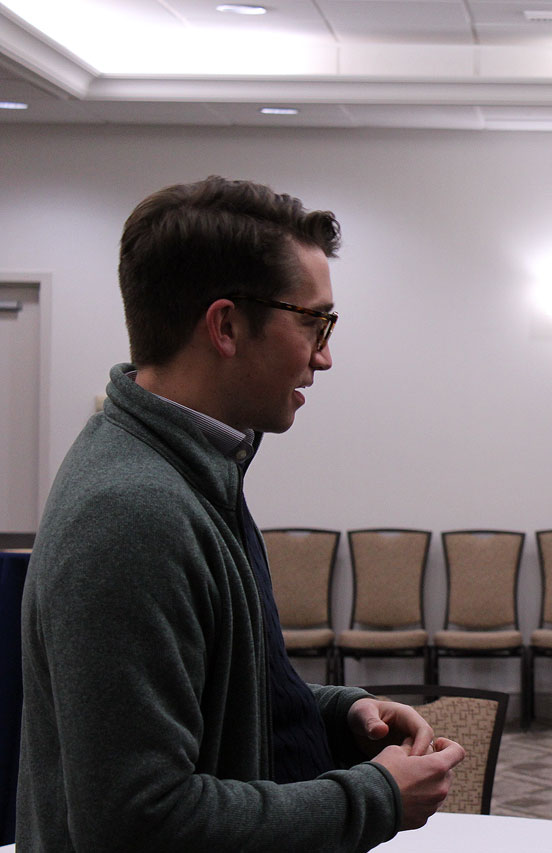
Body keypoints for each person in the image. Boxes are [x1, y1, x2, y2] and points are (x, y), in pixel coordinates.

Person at [19, 176, 465, 852]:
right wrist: (374, 796)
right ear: (226, 325)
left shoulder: (189, 469)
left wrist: (337, 714)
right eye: (314, 322)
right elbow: (138, 822)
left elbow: (205, 703)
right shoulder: (132, 512)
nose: (325, 355)